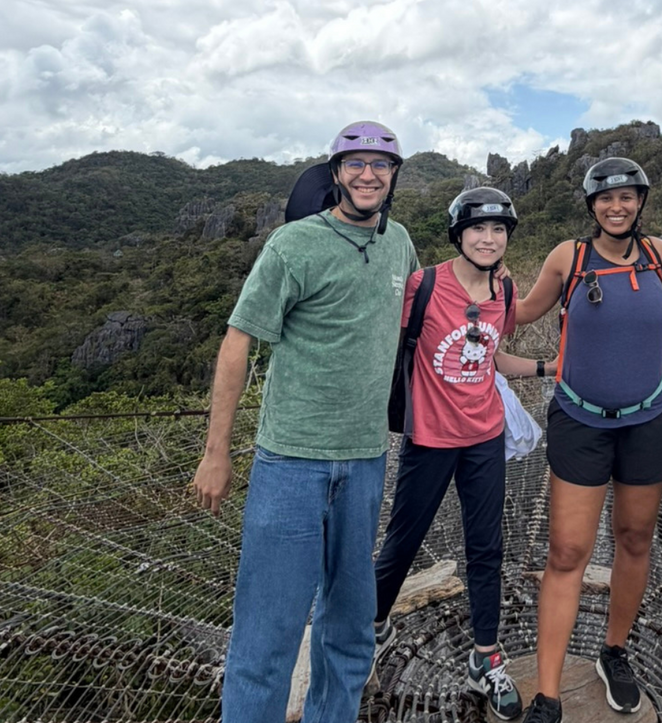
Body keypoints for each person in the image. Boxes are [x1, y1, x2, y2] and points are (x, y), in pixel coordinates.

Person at [192, 120, 418, 722]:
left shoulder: (400, 244)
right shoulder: (292, 245)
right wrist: (217, 452)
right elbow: (237, 342)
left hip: (367, 460)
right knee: (267, 636)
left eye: (381, 164)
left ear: (394, 176)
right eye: (356, 163)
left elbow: (416, 327)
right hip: (291, 462)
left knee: (348, 629)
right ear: (336, 173)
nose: (368, 174)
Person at [513, 158, 662, 723]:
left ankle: (613, 653)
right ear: (591, 206)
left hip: (650, 416)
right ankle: (547, 693)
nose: (617, 207)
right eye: (606, 199)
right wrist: (452, 295)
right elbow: (516, 313)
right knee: (567, 552)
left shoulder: (658, 255)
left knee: (635, 539)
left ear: (640, 202)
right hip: (582, 418)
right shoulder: (569, 257)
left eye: (628, 198)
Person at [371, 187, 550, 721]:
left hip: (483, 437)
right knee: (403, 539)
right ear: (458, 235)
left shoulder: (505, 291)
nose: (489, 238)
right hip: (429, 437)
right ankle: (374, 624)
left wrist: (547, 368)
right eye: (478, 229)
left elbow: (491, 357)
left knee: (486, 547)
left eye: (498, 230)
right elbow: (384, 348)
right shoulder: (423, 286)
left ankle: (485, 655)